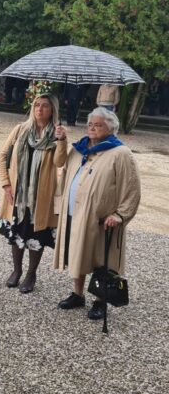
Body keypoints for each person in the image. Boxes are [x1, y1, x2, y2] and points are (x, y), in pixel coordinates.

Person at [54, 107, 141, 319]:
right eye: (90, 124)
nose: (92, 128)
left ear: (111, 128)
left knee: (101, 259)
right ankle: (78, 294)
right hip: (75, 212)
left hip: (103, 219)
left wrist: (120, 215)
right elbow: (61, 168)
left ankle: (100, 301)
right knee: (78, 253)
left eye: (98, 124)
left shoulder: (121, 153)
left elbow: (132, 188)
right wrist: (62, 140)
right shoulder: (79, 149)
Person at [0, 93, 68, 293]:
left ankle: (31, 274)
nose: (39, 109)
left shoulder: (56, 134)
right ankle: (17, 270)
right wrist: (6, 184)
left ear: (52, 110)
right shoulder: (20, 130)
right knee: (18, 233)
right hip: (17, 194)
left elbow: (60, 162)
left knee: (37, 235)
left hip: (41, 196)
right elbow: (2, 156)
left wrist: (62, 140)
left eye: (45, 106)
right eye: (37, 105)